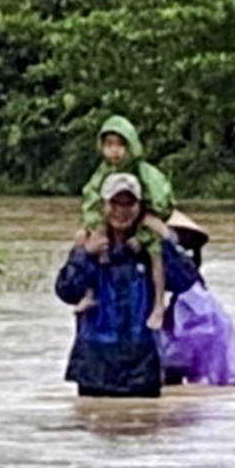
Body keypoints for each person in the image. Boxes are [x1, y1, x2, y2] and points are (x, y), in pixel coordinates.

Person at [55, 173, 195, 399]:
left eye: (128, 203)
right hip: (94, 365)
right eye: (115, 203)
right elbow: (67, 292)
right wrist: (85, 255)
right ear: (103, 205)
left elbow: (185, 281)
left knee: (143, 428)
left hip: (142, 366)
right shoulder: (91, 244)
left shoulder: (150, 250)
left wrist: (167, 238)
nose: (121, 211)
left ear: (140, 208)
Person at [78, 116, 175, 330]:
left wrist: (143, 231)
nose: (115, 151)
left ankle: (159, 304)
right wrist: (95, 228)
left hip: (143, 224)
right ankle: (89, 293)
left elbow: (161, 203)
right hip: (107, 224)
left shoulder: (145, 173)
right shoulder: (101, 174)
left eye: (120, 144)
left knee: (156, 252)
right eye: (109, 144)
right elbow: (90, 201)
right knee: (83, 240)